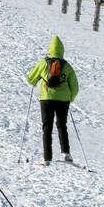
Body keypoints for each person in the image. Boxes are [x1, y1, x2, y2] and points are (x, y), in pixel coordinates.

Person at [26, 35, 79, 165]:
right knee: (62, 125)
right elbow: (75, 86)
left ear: (50, 49)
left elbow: (30, 79)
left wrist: (35, 79)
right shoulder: (67, 66)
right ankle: (66, 153)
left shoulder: (44, 63)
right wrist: (69, 98)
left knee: (47, 127)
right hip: (63, 100)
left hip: (46, 98)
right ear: (62, 50)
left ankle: (47, 158)